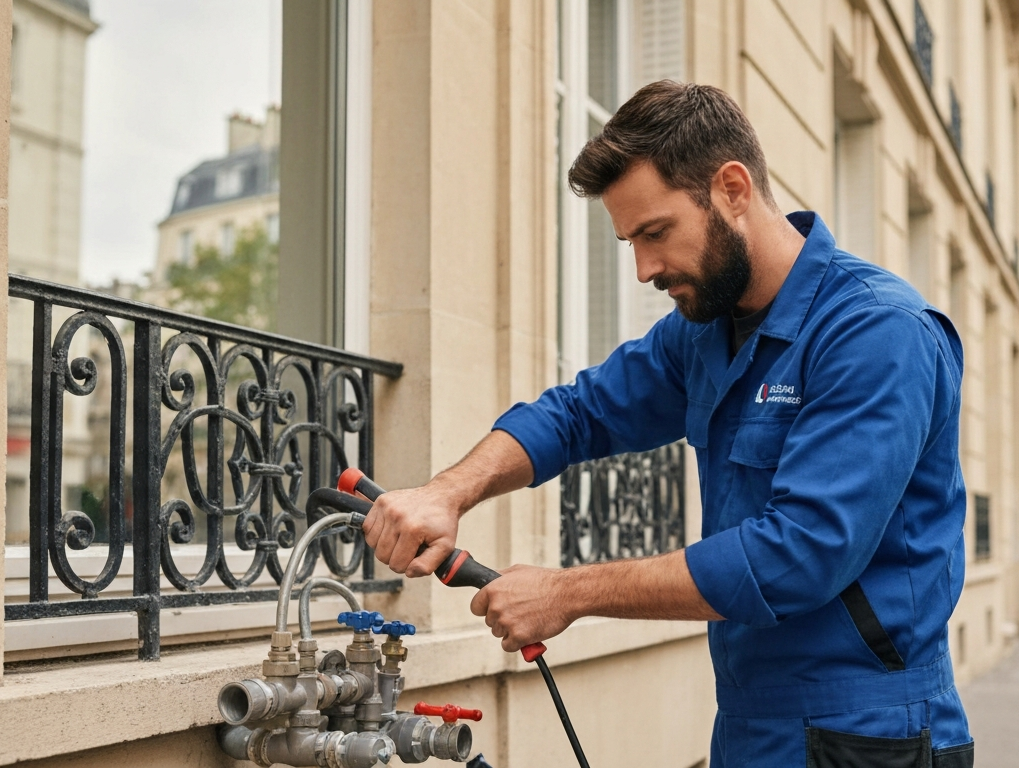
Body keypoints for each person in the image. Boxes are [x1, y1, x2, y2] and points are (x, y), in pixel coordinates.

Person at [361, 80, 974, 767]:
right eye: (630, 241)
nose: (645, 268)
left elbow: (799, 555)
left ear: (733, 189)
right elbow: (580, 413)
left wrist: (568, 592)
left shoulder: (874, 332)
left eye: (656, 233)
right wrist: (449, 492)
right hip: (750, 721)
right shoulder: (705, 331)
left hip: (867, 732)